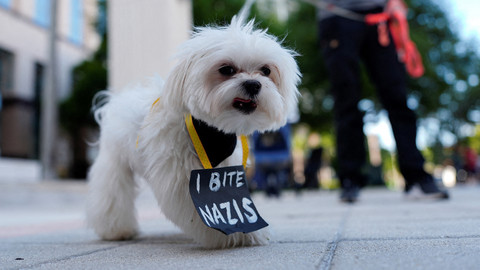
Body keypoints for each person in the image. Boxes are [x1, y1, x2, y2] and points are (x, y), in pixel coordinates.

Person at [316, 0, 449, 202]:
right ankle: (350, 179)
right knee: (346, 100)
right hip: (336, 14)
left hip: (380, 16)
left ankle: (416, 176)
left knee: (397, 97)